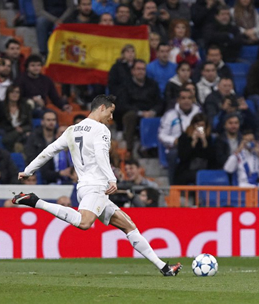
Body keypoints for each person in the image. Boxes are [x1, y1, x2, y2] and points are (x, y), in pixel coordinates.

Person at [14, 95, 182, 276]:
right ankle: (35, 201)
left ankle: (164, 268)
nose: (111, 118)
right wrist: (112, 178)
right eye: (110, 112)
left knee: (128, 226)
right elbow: (102, 154)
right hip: (97, 187)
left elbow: (50, 150)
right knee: (84, 222)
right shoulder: (101, 130)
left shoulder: (72, 130)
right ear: (102, 108)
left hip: (85, 187)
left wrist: (28, 170)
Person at [117, 60, 162, 155]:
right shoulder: (125, 85)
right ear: (132, 71)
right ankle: (129, 149)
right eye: (138, 69)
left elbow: (159, 102)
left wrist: (153, 111)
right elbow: (122, 105)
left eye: (143, 69)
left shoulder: (153, 84)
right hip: (134, 113)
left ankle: (155, 149)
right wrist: (140, 113)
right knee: (130, 116)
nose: (141, 71)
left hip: (150, 113)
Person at [159, 89, 201, 184]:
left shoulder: (199, 114)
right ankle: (173, 187)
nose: (186, 101)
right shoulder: (170, 115)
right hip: (177, 147)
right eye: (183, 98)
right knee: (173, 155)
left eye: (189, 98)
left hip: (195, 146)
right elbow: (162, 135)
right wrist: (174, 140)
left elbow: (204, 129)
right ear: (178, 100)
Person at [174, 113, 214, 185]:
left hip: (204, 168)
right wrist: (193, 143)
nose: (200, 128)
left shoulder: (209, 138)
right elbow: (182, 157)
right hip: (187, 168)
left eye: (202, 126)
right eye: (198, 125)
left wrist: (204, 142)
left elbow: (212, 157)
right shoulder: (184, 137)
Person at [0, 85, 32, 152]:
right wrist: (16, 130)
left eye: (17, 92)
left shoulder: (26, 106)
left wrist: (22, 129)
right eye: (12, 92)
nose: (14, 94)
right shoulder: (1, 107)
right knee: (8, 139)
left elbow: (29, 124)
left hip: (21, 131)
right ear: (8, 94)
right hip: (8, 132)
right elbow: (0, 123)